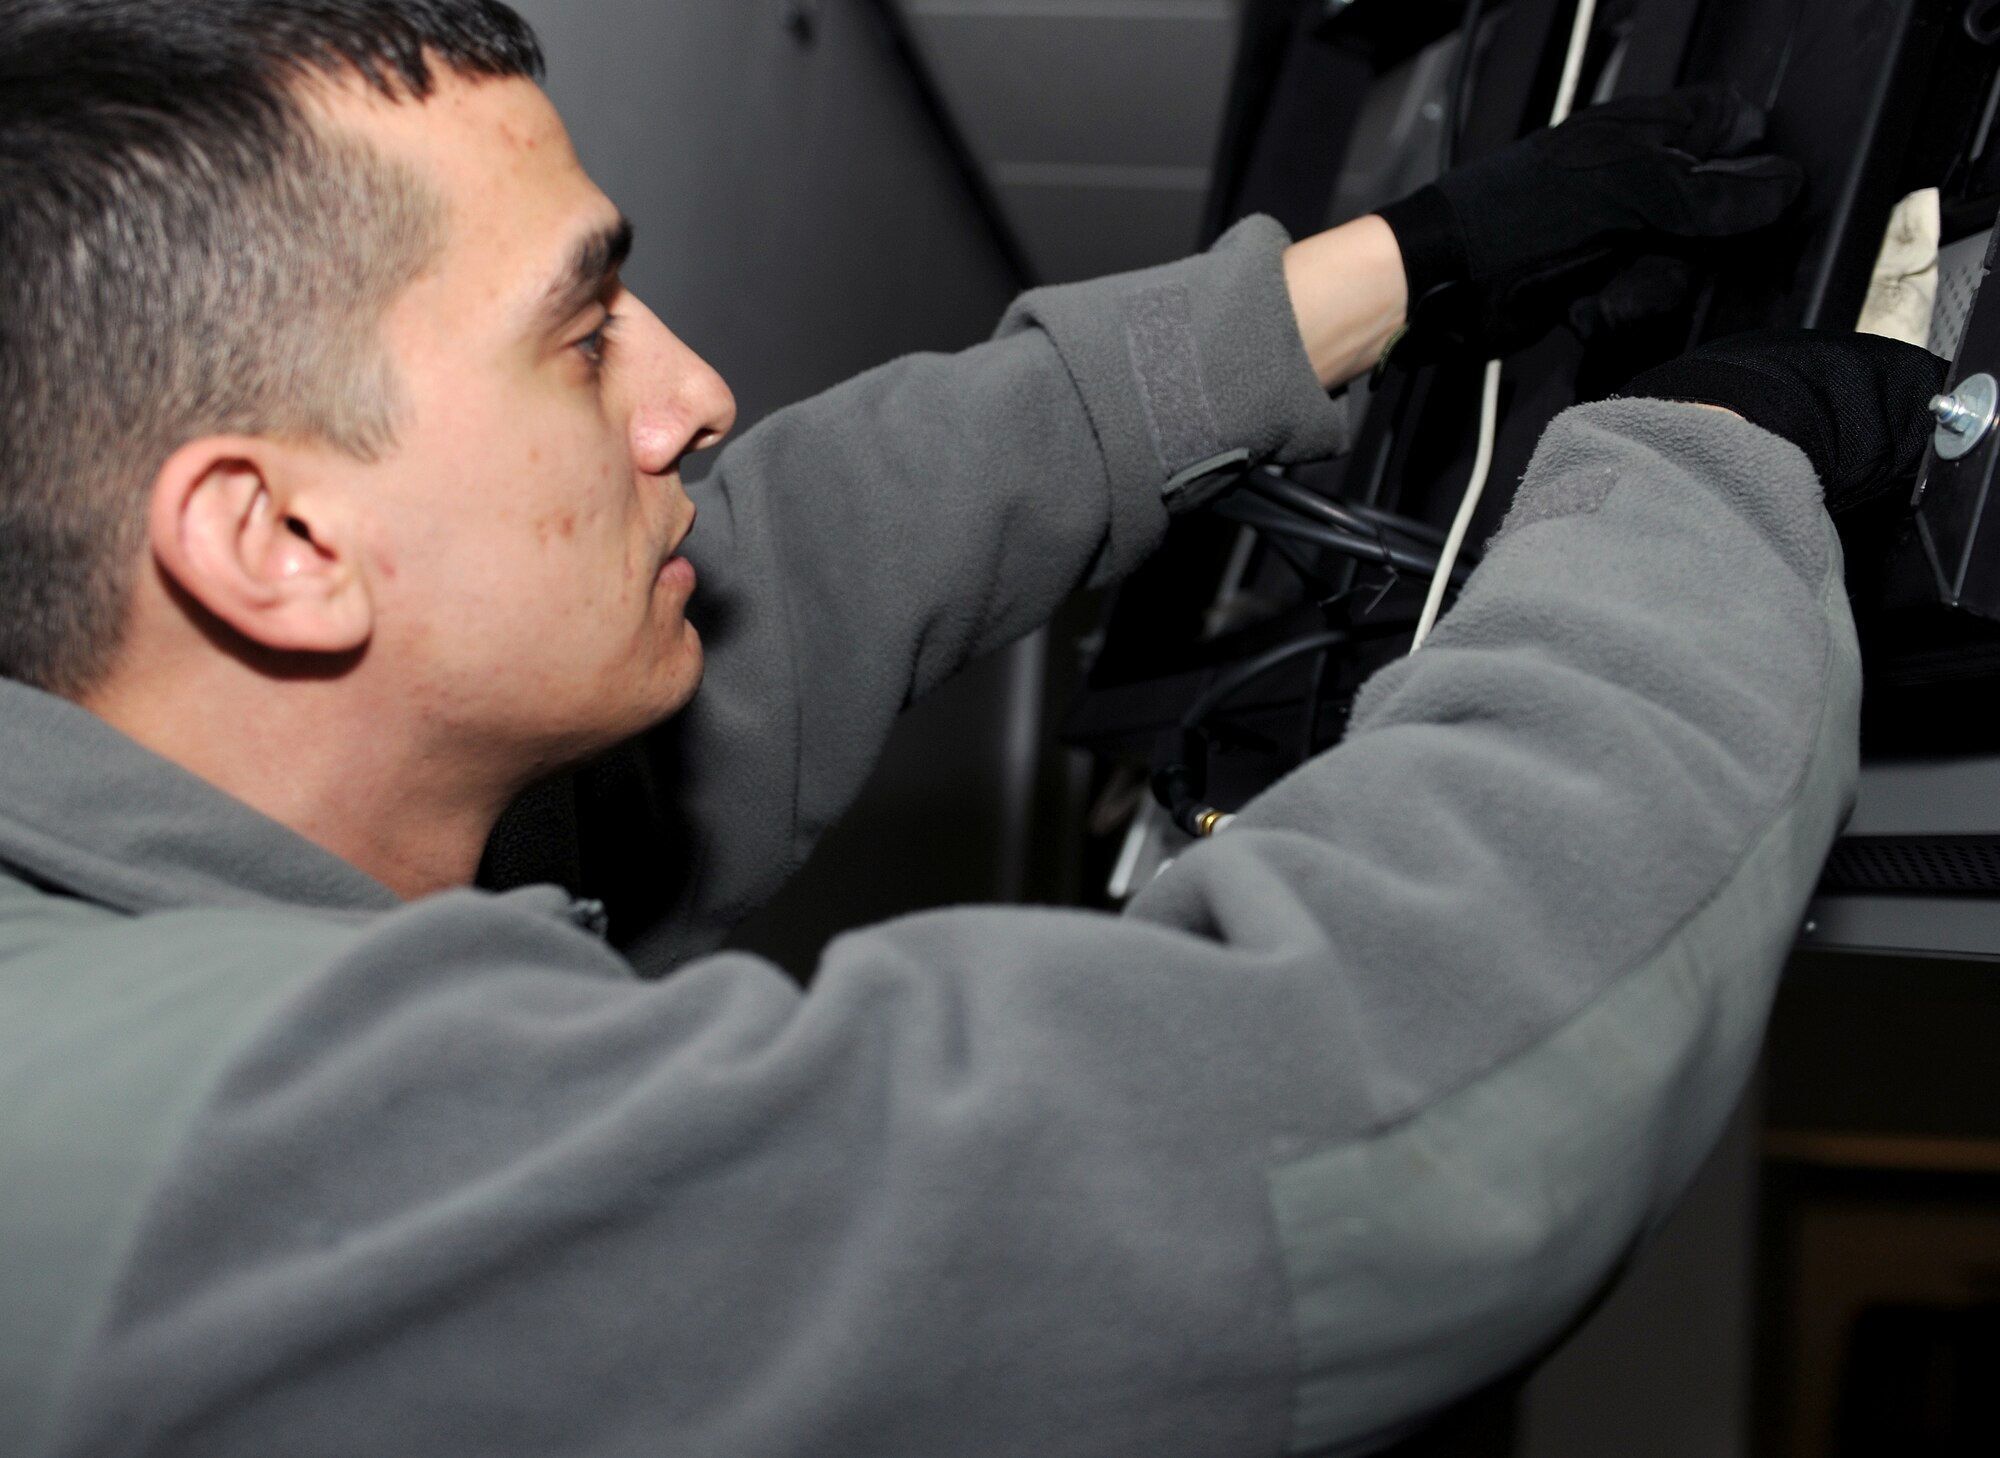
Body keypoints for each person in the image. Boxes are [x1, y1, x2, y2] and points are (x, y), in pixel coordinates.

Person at [0, 1, 1948, 1453]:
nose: (694, 394)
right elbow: (1324, 1114)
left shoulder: (181, 845)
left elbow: (811, 557)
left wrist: (1407, 272)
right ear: (272, 541)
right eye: (581, 337)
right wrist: (1698, 479)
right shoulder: (217, 1187)